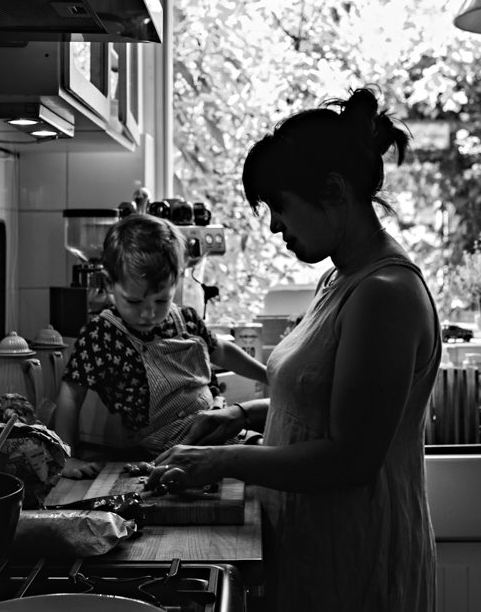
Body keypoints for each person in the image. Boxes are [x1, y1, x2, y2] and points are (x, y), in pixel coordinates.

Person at [146, 87, 441, 611]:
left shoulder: (383, 295)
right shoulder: (341, 278)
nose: (276, 225)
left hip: (355, 558)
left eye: (280, 207)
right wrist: (242, 413)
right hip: (314, 544)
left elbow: (350, 459)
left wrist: (222, 460)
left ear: (333, 190)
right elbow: (321, 402)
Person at [54, 213, 268, 478]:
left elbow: (221, 351)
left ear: (175, 283)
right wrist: (65, 457)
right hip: (167, 450)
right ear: (110, 283)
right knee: (257, 455)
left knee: (264, 447)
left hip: (215, 422)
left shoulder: (185, 319)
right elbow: (71, 393)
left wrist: (268, 375)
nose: (148, 314)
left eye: (161, 301)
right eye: (134, 302)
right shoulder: (103, 334)